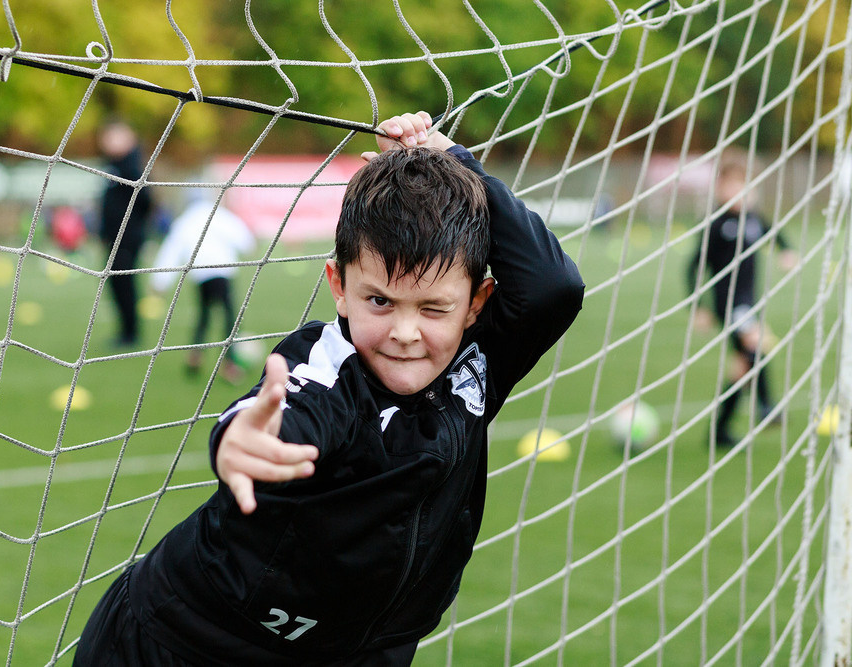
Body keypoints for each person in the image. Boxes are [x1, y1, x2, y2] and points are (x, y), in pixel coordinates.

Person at [74, 111, 584, 666]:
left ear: (475, 305)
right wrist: (243, 439)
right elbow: (287, 407)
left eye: (434, 307)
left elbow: (553, 285)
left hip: (359, 651)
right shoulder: (328, 367)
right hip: (190, 640)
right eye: (380, 301)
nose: (405, 333)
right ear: (339, 286)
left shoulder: (478, 359)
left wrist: (453, 161)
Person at [686, 152, 797, 449]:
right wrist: (697, 307)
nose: (742, 194)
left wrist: (786, 251)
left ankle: (719, 432)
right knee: (757, 342)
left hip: (750, 302)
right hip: (729, 303)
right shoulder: (716, 223)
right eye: (734, 187)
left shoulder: (753, 218)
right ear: (720, 189)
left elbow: (774, 233)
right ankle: (766, 406)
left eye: (748, 188)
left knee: (742, 367)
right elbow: (693, 266)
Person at [150, 194, 256, 382]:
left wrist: (160, 282)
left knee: (204, 315)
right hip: (223, 270)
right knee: (229, 315)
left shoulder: (185, 220)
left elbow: (172, 249)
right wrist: (248, 246)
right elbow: (243, 238)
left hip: (200, 272)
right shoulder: (220, 215)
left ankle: (195, 357)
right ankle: (229, 365)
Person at [98, 118, 153, 347]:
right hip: (113, 238)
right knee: (116, 285)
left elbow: (146, 200)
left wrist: (132, 229)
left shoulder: (132, 167)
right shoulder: (114, 165)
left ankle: (131, 334)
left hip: (126, 239)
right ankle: (124, 332)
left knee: (125, 285)